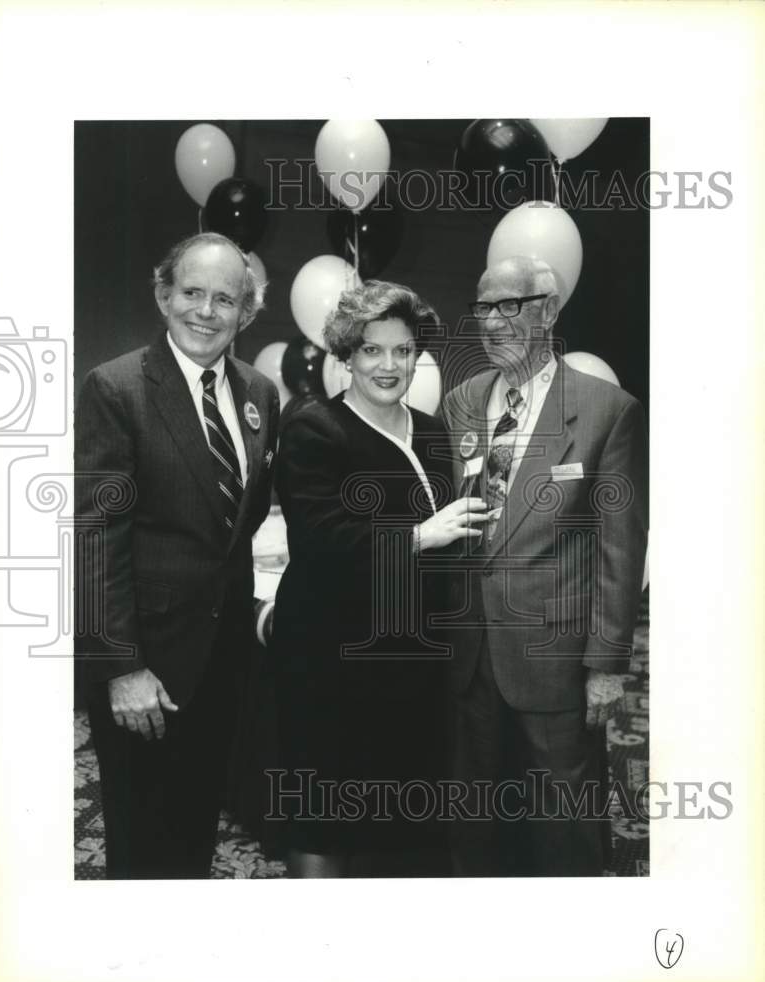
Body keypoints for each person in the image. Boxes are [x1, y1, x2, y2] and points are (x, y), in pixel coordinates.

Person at [75, 232, 279, 878]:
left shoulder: (259, 396)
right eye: (192, 292)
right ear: (165, 296)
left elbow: (234, 528)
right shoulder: (116, 389)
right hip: (145, 676)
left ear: (245, 314)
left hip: (222, 670)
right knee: (141, 850)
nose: (206, 311)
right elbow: (94, 538)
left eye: (226, 299)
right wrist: (120, 668)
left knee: (195, 839)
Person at [270, 280, 489, 878]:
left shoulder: (435, 430)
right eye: (372, 350)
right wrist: (423, 535)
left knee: (400, 813)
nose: (389, 365)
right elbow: (321, 545)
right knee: (325, 811)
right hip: (329, 657)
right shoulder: (315, 428)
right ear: (346, 354)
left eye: (402, 350)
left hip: (410, 658)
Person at [442, 256, 648, 876]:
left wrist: (607, 667)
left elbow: (620, 549)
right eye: (484, 308)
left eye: (512, 306)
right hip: (470, 656)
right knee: (475, 820)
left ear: (550, 311)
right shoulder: (460, 403)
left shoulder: (607, 410)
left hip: (556, 661)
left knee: (563, 824)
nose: (494, 322)